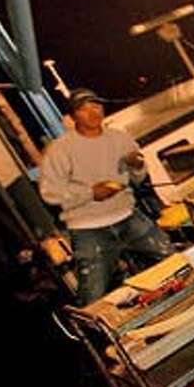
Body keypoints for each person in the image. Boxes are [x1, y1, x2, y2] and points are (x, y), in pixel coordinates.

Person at [39, 88, 175, 304]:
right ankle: (100, 333)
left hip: (129, 217)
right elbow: (49, 193)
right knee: (93, 295)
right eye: (83, 109)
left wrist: (137, 165)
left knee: (173, 260)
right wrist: (90, 193)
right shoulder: (60, 150)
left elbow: (138, 177)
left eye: (96, 105)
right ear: (73, 117)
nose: (92, 112)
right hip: (88, 229)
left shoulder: (120, 139)